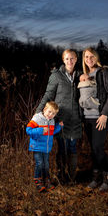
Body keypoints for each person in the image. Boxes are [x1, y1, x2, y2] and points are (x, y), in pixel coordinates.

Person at [35, 49, 82, 184]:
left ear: (76, 59)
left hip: (75, 119)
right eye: (67, 58)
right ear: (63, 60)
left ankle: (71, 177)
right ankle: (61, 175)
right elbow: (48, 95)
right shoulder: (57, 75)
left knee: (72, 147)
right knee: (61, 147)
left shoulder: (80, 75)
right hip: (60, 118)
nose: (70, 61)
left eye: (72, 58)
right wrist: (38, 113)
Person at [80, 47, 108, 191]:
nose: (89, 59)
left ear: (96, 58)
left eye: (92, 56)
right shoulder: (84, 75)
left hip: (100, 117)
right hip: (87, 117)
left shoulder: (103, 72)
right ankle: (96, 178)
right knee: (93, 149)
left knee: (98, 147)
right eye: (86, 57)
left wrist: (105, 114)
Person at [26, 101, 63, 192]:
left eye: (53, 113)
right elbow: (28, 130)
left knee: (46, 164)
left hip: (46, 147)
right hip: (37, 146)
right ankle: (37, 180)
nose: (51, 115)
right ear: (45, 109)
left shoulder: (52, 121)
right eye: (49, 112)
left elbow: (51, 132)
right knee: (40, 163)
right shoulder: (37, 118)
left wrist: (59, 127)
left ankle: (46, 180)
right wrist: (41, 130)